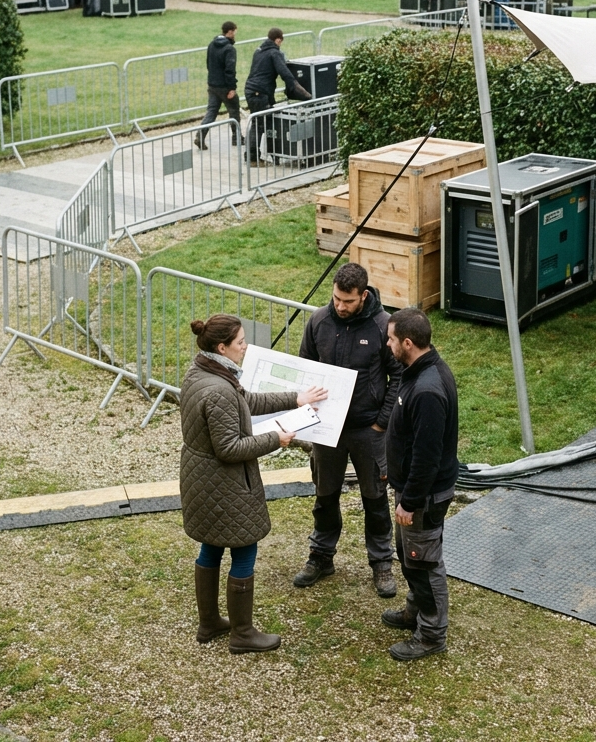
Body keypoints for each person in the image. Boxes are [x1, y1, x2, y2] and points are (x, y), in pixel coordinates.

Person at [179, 313, 327, 654]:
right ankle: (242, 634)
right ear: (222, 347)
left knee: (211, 546)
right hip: (225, 484)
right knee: (244, 549)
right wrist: (277, 439)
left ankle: (209, 623)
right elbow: (230, 448)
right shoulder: (220, 389)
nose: (246, 347)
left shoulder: (202, 371)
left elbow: (247, 402)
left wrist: (296, 398)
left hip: (201, 480)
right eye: (241, 342)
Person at [293, 262, 403, 598]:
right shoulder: (318, 321)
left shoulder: (383, 326)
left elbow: (399, 375)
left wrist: (381, 421)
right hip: (327, 429)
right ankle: (321, 555)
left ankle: (381, 562)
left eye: (348, 301)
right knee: (325, 495)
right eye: (336, 299)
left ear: (364, 296)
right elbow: (305, 366)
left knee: (375, 498)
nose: (340, 306)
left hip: (368, 429)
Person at [381, 307, 459, 662]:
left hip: (423, 497)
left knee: (424, 563)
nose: (388, 344)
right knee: (411, 557)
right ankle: (415, 612)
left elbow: (427, 457)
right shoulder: (418, 370)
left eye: (391, 339)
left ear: (408, 343)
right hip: (414, 490)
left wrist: (409, 501)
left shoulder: (428, 389)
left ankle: (431, 635)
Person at [243, 27, 311, 164]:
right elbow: (285, 73)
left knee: (260, 123)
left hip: (252, 90)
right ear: (278, 40)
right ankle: (253, 158)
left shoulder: (259, 50)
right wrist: (304, 94)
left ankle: (261, 155)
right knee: (259, 125)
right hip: (261, 92)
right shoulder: (274, 53)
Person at [195, 21, 240, 150]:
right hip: (224, 86)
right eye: (235, 31)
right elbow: (230, 70)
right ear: (230, 32)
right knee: (234, 110)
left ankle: (200, 135)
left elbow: (208, 64)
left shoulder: (211, 45)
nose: (236, 34)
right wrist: (232, 88)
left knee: (212, 111)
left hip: (212, 85)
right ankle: (236, 137)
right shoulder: (229, 49)